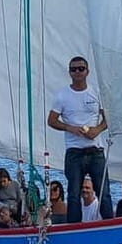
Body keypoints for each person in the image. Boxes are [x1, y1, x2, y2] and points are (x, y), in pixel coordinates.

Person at [47, 55, 113, 223]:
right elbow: (52, 120)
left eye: (81, 69)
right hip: (74, 152)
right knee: (74, 194)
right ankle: (74, 228)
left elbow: (109, 119)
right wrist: (69, 127)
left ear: (87, 71)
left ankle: (110, 225)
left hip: (95, 150)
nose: (77, 72)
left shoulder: (96, 93)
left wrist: (97, 130)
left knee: (103, 192)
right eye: (73, 69)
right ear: (69, 72)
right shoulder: (62, 95)